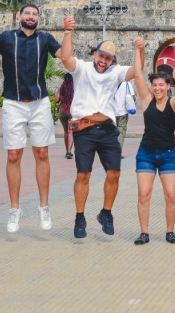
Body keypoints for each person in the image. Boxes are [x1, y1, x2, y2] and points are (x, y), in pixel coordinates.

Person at [0, 3, 66, 233]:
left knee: (42, 152)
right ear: (19, 16)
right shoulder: (6, 38)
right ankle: (14, 209)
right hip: (13, 103)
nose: (31, 17)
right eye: (27, 13)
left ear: (38, 18)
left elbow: (65, 55)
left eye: (35, 14)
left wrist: (69, 32)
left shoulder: (46, 39)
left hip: (39, 102)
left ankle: (44, 206)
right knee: (14, 155)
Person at [60, 27, 139, 240]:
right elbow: (65, 58)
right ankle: (79, 217)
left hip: (107, 129)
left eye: (108, 58)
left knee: (114, 173)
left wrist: (139, 50)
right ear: (95, 53)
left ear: (112, 60)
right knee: (83, 174)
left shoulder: (116, 72)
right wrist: (68, 32)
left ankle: (106, 213)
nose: (104, 61)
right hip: (84, 130)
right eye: (101, 55)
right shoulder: (82, 69)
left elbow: (135, 73)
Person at [131, 41, 175, 245]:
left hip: (168, 154)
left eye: (161, 85)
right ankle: (144, 233)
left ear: (167, 86)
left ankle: (170, 232)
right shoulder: (146, 100)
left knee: (171, 195)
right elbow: (137, 74)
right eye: (155, 85)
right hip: (146, 153)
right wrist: (138, 50)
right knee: (144, 194)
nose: (157, 88)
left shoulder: (174, 104)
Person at [56, 74, 75, 159]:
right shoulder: (75, 86)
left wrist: (59, 90)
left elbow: (56, 100)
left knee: (65, 131)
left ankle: (66, 150)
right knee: (71, 131)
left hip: (62, 110)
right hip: (72, 110)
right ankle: (69, 151)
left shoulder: (62, 86)